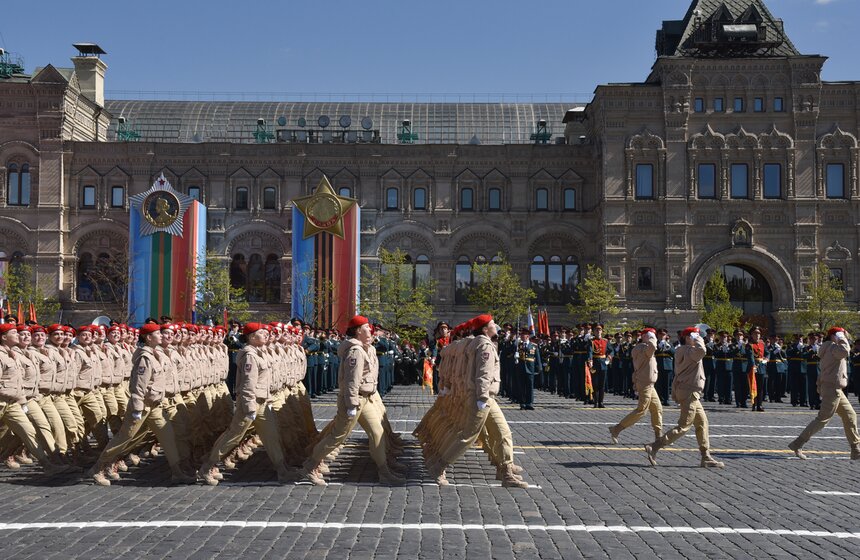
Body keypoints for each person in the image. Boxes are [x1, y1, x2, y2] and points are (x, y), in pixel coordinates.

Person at [302, 315, 405, 486]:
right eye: (366, 328)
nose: (370, 330)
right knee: (338, 436)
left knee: (377, 433)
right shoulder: (355, 351)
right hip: (354, 400)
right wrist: (351, 404)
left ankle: (384, 471)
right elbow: (352, 380)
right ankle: (309, 466)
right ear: (358, 331)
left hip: (366, 398)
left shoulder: (366, 348)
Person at [645, 326, 724, 468]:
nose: (699, 338)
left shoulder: (684, 350)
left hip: (690, 391)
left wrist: (695, 338)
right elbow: (702, 351)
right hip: (689, 391)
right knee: (684, 426)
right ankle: (655, 446)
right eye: (695, 335)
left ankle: (705, 456)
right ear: (688, 338)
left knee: (702, 422)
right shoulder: (688, 350)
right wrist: (696, 338)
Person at [788, 327, 860, 461]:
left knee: (850, 415)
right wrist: (840, 337)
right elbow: (845, 351)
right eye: (841, 334)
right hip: (832, 388)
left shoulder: (829, 347)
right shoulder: (833, 347)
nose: (844, 337)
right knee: (822, 419)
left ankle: (856, 450)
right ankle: (797, 443)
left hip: (835, 388)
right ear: (834, 336)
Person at [609, 328, 662, 443]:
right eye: (650, 334)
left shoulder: (645, 347)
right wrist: (651, 337)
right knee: (642, 410)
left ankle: (658, 436)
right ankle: (616, 429)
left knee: (657, 408)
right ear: (644, 336)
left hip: (650, 384)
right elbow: (653, 347)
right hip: (644, 383)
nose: (653, 337)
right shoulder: (641, 348)